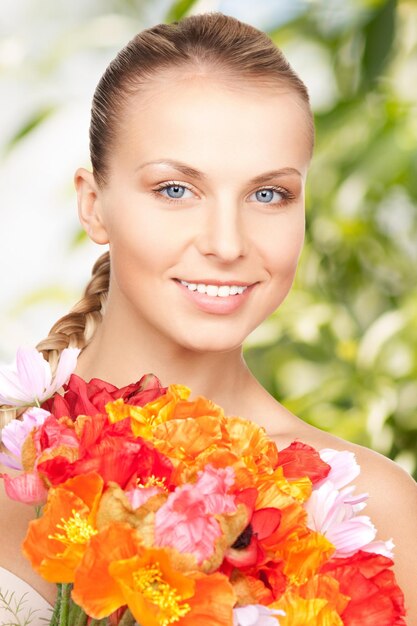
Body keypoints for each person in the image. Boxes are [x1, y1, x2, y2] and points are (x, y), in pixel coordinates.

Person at [1, 11, 416, 624]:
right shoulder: (16, 461)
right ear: (94, 205)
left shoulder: (372, 505)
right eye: (176, 189)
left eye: (268, 194)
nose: (227, 243)